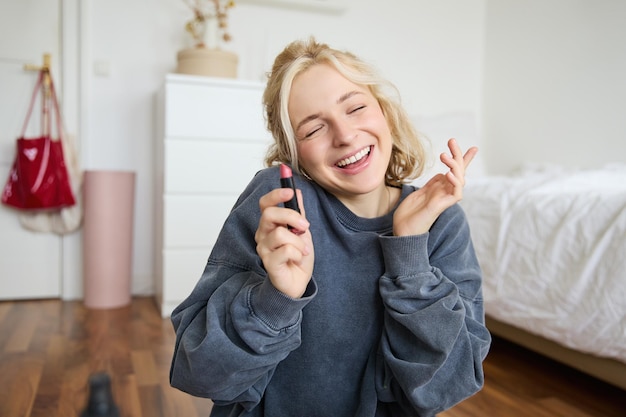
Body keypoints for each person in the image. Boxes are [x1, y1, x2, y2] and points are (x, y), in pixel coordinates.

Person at [169, 37, 491, 417]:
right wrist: (275, 298)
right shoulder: (280, 206)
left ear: (384, 111)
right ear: (293, 152)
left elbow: (447, 386)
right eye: (313, 129)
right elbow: (200, 374)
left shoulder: (441, 222)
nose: (345, 135)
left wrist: (410, 255)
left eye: (355, 108)